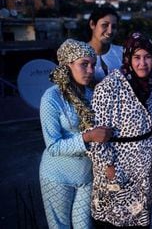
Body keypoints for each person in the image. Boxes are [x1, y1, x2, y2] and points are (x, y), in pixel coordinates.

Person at [87, 32, 152, 228]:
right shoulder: (109, 87)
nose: (142, 63)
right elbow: (96, 134)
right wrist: (110, 168)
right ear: (127, 58)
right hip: (117, 168)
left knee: (140, 220)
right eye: (137, 57)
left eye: (147, 57)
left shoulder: (150, 85)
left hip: (143, 172)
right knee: (115, 220)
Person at [39, 39, 111, 229]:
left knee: (84, 226)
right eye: (83, 64)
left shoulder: (92, 94)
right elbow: (53, 146)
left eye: (93, 65)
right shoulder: (52, 98)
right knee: (60, 226)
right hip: (57, 175)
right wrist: (87, 137)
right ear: (67, 65)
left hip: (86, 176)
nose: (90, 70)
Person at [87, 6, 122, 82]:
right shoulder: (79, 54)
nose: (110, 31)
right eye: (104, 25)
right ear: (92, 24)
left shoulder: (122, 53)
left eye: (114, 27)